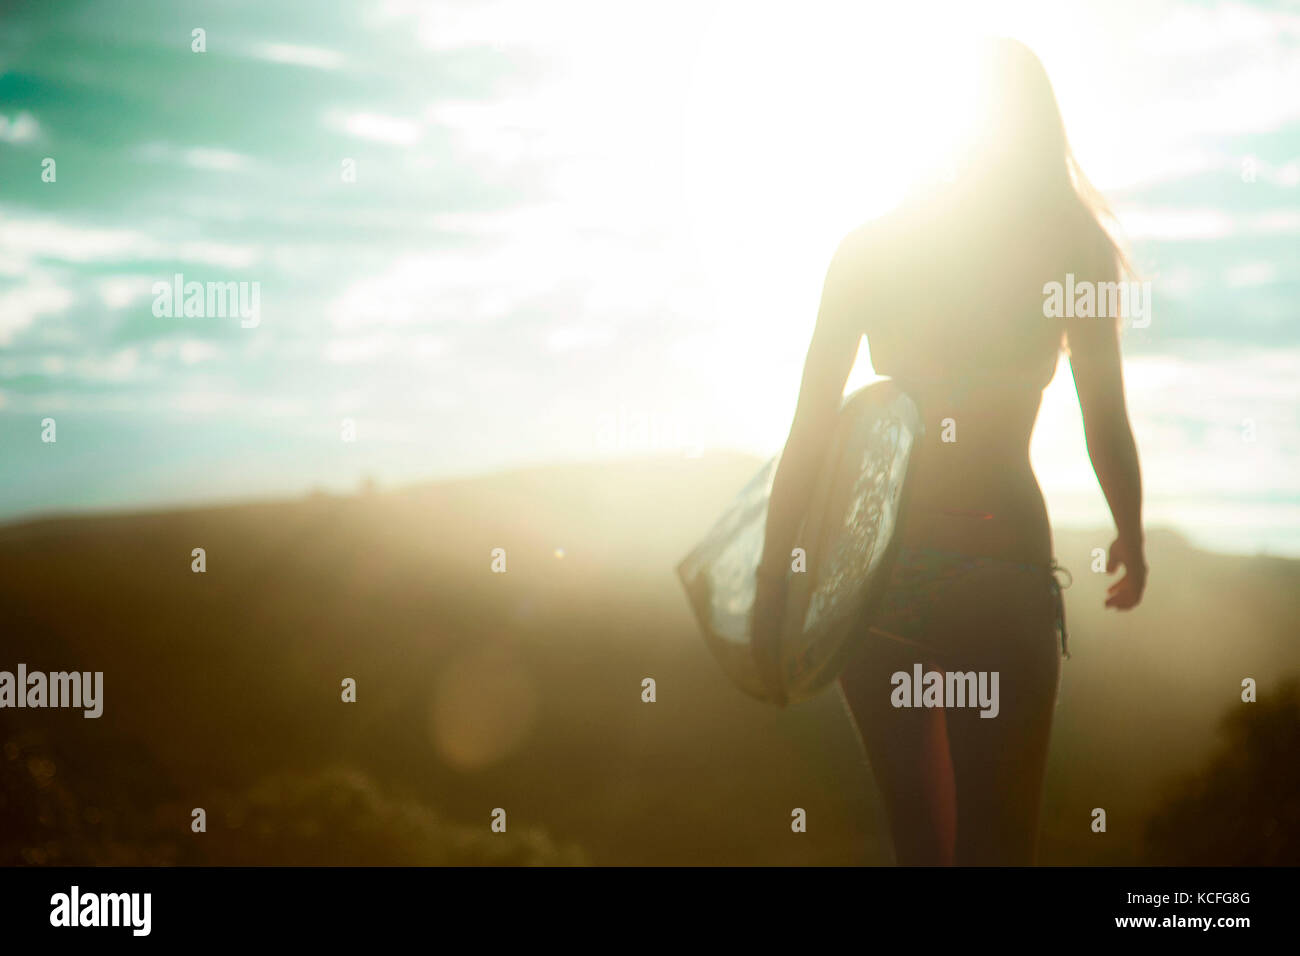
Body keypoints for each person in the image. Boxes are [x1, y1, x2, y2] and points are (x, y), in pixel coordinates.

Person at [751, 37, 1147, 865]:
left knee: (920, 854)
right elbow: (1103, 417)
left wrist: (772, 580)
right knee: (998, 852)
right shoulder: (1070, 249)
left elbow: (812, 428)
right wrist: (1130, 535)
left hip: (880, 579)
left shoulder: (872, 250)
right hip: (1001, 565)